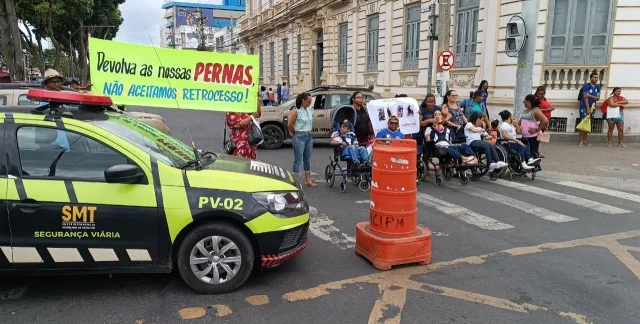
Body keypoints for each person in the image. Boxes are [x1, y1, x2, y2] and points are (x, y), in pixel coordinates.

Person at [288, 92, 316, 187]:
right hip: (299, 136)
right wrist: (295, 132)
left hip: (308, 136)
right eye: (308, 101)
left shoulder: (309, 109)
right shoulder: (296, 111)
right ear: (303, 101)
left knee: (307, 159)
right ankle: (294, 181)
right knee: (298, 160)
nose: (310, 103)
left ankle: (308, 180)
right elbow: (290, 125)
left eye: (311, 101)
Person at [225, 93, 262, 159]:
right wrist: (251, 116)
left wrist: (255, 98)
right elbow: (239, 124)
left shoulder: (246, 103)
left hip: (250, 141)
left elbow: (258, 114)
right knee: (239, 164)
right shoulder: (232, 108)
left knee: (249, 165)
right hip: (238, 143)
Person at [519, 94, 548, 158]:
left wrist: (536, 130)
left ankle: (536, 167)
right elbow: (521, 122)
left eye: (524, 101)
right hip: (524, 136)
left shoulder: (536, 111)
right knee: (525, 153)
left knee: (533, 153)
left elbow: (545, 120)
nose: (524, 103)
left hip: (532, 137)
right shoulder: (525, 111)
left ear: (528, 102)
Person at [578, 72, 601, 146]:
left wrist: (589, 95)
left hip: (593, 107)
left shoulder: (597, 87)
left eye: (597, 77)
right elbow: (585, 97)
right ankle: (581, 140)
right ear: (591, 78)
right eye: (594, 77)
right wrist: (588, 108)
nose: (596, 79)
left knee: (589, 123)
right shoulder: (586, 86)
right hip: (585, 107)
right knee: (583, 122)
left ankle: (585, 140)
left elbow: (597, 98)